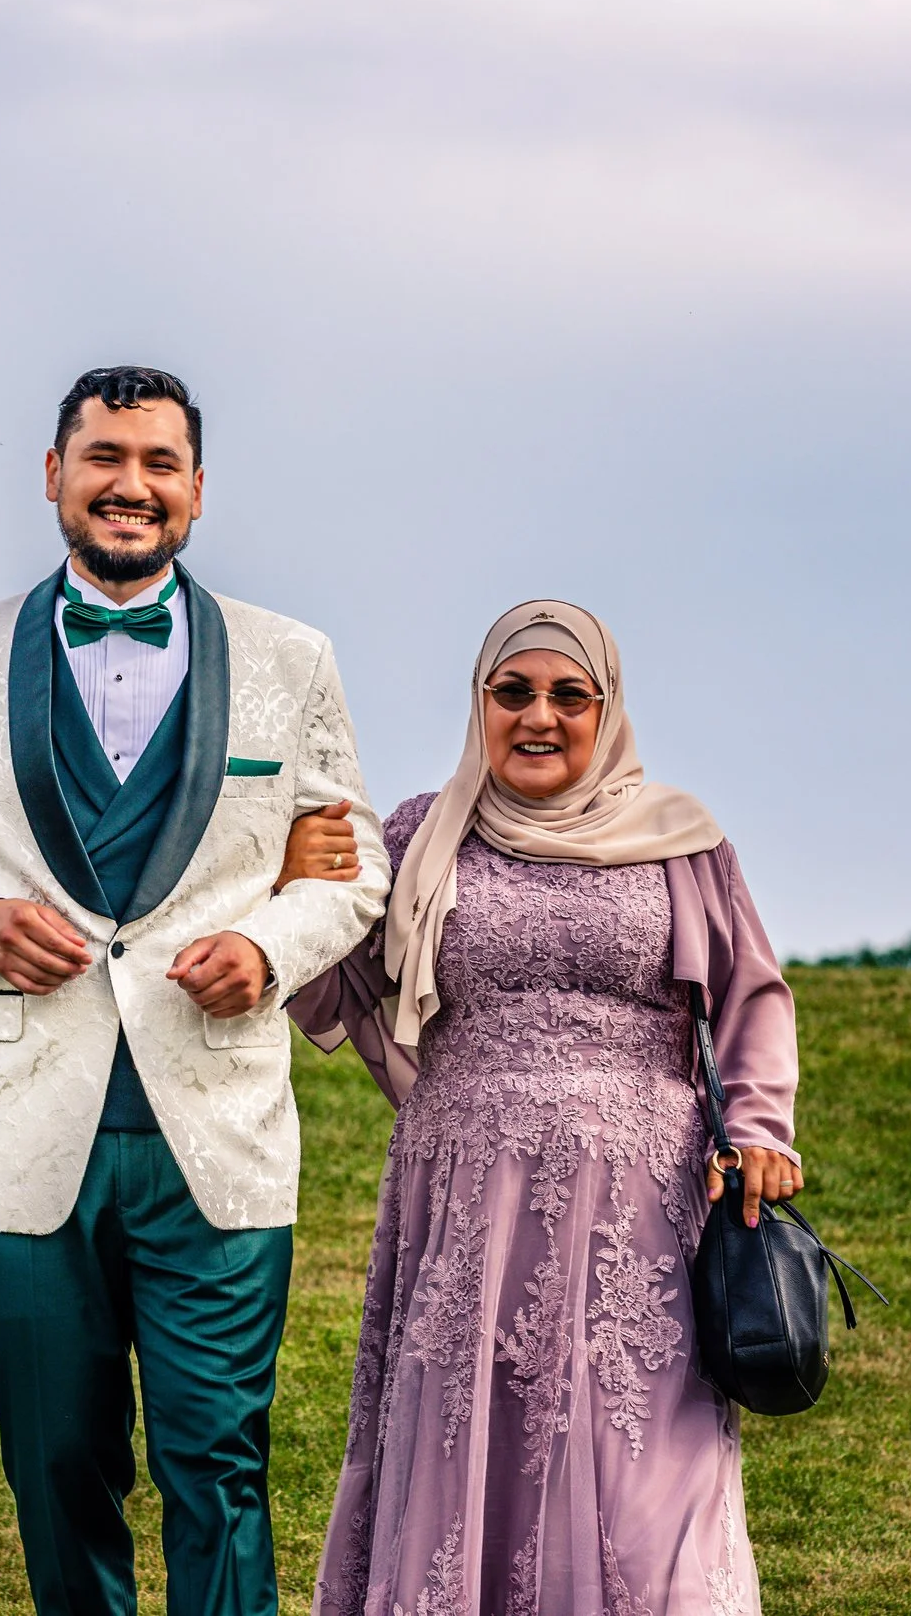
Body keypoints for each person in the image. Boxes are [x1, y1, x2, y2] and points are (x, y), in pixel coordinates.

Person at [0, 366, 391, 1616]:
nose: (131, 485)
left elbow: (356, 866)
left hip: (218, 1132)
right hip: (17, 1127)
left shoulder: (291, 658)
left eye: (158, 462)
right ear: (53, 474)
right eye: (104, 458)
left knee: (219, 1463)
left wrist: (269, 946)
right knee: (56, 1462)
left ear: (196, 488)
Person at [283, 601, 803, 1616]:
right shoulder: (421, 834)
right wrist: (296, 889)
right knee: (467, 1457)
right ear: (479, 703)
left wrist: (757, 1129)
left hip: (642, 1223)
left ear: (607, 709)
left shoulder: (684, 842)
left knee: (649, 1496)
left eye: (570, 695)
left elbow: (750, 992)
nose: (539, 716)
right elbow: (334, 981)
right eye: (512, 691)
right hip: (468, 1207)